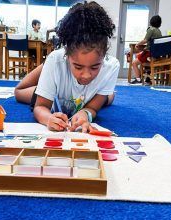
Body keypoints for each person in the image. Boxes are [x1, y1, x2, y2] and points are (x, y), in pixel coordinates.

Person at [14, 1, 119, 133]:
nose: (86, 75)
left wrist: (85, 113)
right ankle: (46, 71)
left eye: (94, 67)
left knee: (107, 99)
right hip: (56, 73)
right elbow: (40, 107)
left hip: (84, 94)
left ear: (104, 57)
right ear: (67, 56)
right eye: (78, 67)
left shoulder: (111, 66)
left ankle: (107, 94)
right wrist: (48, 118)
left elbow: (92, 109)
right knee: (19, 92)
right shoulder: (56, 60)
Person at [131, 15, 162, 84]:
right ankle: (147, 75)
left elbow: (145, 40)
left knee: (134, 63)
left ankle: (138, 79)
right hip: (155, 53)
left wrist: (138, 44)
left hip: (149, 52)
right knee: (139, 57)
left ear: (151, 21)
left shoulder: (151, 29)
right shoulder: (159, 31)